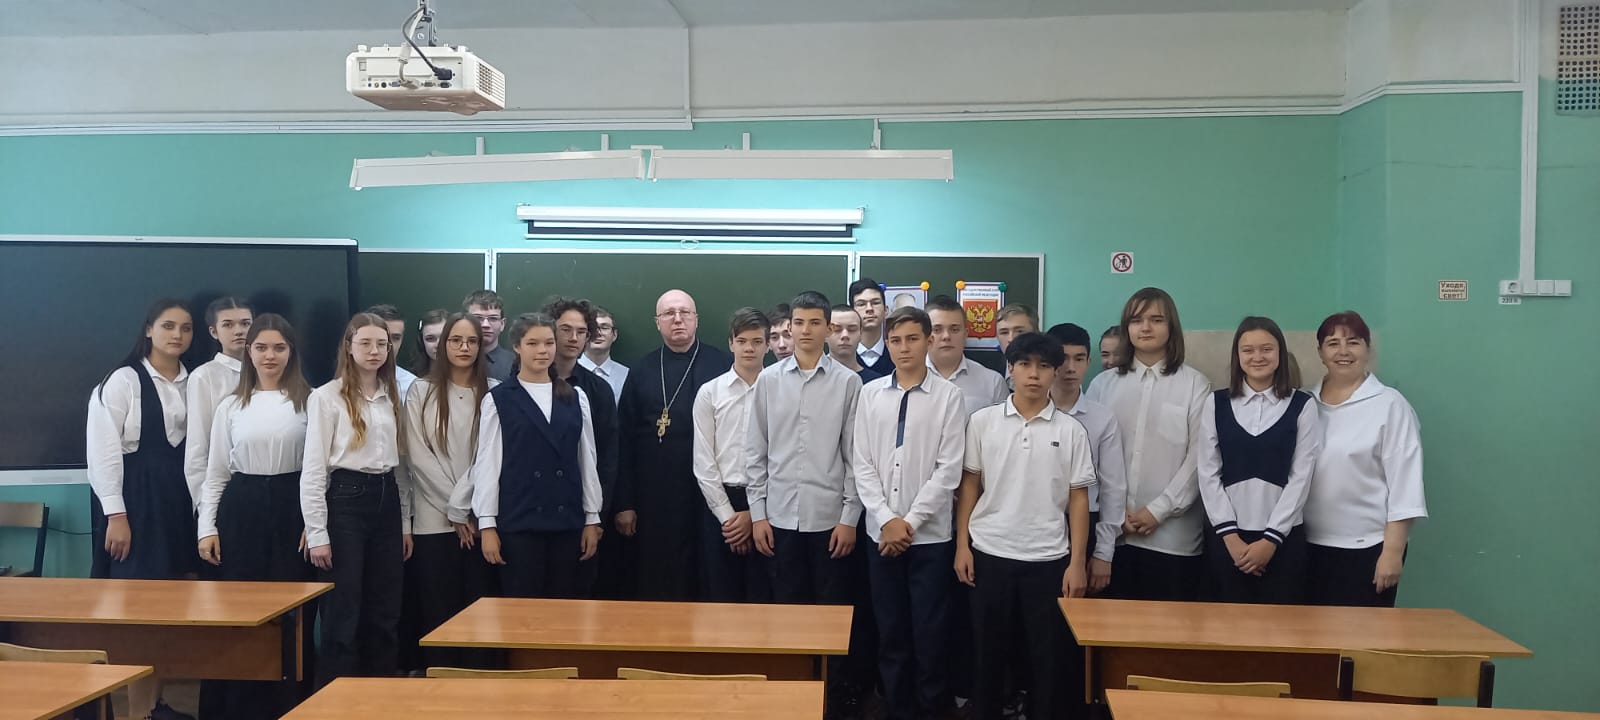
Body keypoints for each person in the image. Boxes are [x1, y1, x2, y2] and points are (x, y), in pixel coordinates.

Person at [956, 332, 1096, 720]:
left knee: (1046, 661)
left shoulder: (1071, 430)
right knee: (986, 656)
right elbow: (969, 485)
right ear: (1011, 369)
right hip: (989, 553)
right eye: (1025, 365)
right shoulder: (983, 422)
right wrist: (962, 545)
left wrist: (1077, 563)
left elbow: (1079, 499)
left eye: (1044, 366)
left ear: (1055, 372)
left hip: (1048, 558)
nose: (1034, 374)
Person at [747, 290, 863, 706]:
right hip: (778, 519)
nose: (806, 330)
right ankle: (791, 699)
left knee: (831, 617)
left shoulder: (849, 383)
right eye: (799, 322)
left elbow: (855, 456)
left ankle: (832, 701)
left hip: (831, 521)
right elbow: (755, 451)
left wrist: (850, 517)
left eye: (815, 323)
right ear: (788, 328)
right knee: (787, 614)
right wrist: (757, 514)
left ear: (829, 329)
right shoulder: (768, 380)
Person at [195, 314, 314, 720]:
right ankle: (237, 707)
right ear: (249, 352)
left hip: (292, 507)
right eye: (261, 347)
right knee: (239, 611)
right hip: (241, 510)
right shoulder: (231, 405)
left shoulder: (311, 401)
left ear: (291, 353)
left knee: (291, 611)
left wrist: (313, 524)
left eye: (279, 348)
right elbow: (216, 473)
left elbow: (321, 471)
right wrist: (206, 527)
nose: (270, 356)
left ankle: (288, 705)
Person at [853, 306, 965, 720]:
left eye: (913, 339)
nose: (904, 348)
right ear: (887, 344)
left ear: (929, 341)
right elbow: (862, 463)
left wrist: (909, 522)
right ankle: (896, 707)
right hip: (880, 534)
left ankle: (932, 708)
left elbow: (948, 470)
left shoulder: (949, 397)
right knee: (891, 629)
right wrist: (886, 519)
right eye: (896, 340)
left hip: (929, 537)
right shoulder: (870, 394)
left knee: (930, 630)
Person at [86, 298, 195, 720]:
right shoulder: (123, 381)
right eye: (168, 326)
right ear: (149, 329)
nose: (177, 335)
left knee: (170, 612)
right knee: (137, 613)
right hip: (136, 505)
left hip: (178, 504)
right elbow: (103, 452)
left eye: (185, 328)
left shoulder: (194, 381)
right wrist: (116, 515)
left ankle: (155, 706)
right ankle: (135, 712)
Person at [301, 312, 414, 685]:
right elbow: (314, 469)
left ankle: (379, 691)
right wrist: (317, 532)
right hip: (346, 499)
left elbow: (401, 466)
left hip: (387, 498)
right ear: (348, 346)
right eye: (365, 343)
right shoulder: (326, 397)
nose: (375, 351)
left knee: (385, 607)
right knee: (342, 608)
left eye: (382, 344)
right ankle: (337, 695)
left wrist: (405, 523)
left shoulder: (393, 395)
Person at [464, 313, 604, 598]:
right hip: (519, 522)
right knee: (522, 608)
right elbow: (488, 465)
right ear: (517, 347)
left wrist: (592, 517)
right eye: (533, 343)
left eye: (549, 343)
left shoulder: (575, 396)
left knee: (565, 605)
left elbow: (587, 461)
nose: (543, 351)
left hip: (567, 521)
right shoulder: (499, 399)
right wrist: (487, 524)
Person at [1086, 288, 1210, 602]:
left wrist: (1158, 510)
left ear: (1171, 327)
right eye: (1136, 320)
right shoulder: (1102, 385)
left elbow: (1200, 457)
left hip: (1173, 539)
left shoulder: (1195, 384)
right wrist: (1115, 515)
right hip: (1111, 539)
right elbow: (1088, 456)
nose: (1145, 327)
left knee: (1168, 628)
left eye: (1156, 320)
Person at [613, 290, 733, 600]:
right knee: (659, 575)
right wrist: (625, 502)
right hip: (655, 494)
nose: (677, 319)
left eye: (684, 312)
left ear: (696, 319)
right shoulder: (641, 370)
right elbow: (624, 440)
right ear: (657, 323)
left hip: (710, 492)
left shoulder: (723, 365)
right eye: (669, 314)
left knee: (710, 573)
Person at [1305, 311, 1426, 607]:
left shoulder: (1390, 405)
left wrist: (1392, 552)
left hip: (1368, 549)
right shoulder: (1305, 403)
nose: (1343, 351)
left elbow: (1405, 485)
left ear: (1368, 349)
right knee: (1310, 634)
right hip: (1305, 547)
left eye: (1353, 342)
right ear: (1320, 352)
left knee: (1361, 635)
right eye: (1333, 343)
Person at [1196, 317, 1319, 605]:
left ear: (1280, 353)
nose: (1257, 357)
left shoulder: (1303, 404)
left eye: (1266, 349)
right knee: (1225, 624)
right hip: (1227, 540)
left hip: (1282, 541)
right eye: (1248, 350)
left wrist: (1271, 540)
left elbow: (1302, 477)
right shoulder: (1216, 403)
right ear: (1237, 356)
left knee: (1281, 626)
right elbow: (1208, 473)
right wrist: (1230, 537)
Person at [407, 313, 497, 668]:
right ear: (442, 345)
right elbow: (418, 457)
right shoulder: (420, 391)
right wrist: (455, 509)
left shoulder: (495, 391)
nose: (464, 347)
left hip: (480, 518)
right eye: (456, 340)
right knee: (439, 610)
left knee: (479, 610)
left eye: (472, 341)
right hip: (434, 520)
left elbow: (489, 457)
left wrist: (466, 508)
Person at [691, 308, 772, 603]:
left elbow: (786, 456)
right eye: (742, 341)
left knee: (764, 598)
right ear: (731, 343)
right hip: (720, 504)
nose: (749, 348)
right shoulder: (710, 392)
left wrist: (756, 514)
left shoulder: (780, 390)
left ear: (768, 345)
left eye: (757, 341)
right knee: (721, 598)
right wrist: (728, 518)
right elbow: (703, 461)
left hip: (770, 506)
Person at [544, 297, 620, 595]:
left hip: (580, 511)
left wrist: (597, 516)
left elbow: (608, 457)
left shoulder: (598, 390)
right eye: (565, 329)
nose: (573, 338)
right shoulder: (524, 382)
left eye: (581, 331)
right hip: (530, 511)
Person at [1046, 323, 1127, 595]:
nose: (1070, 368)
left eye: (1079, 359)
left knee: (1079, 612)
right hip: (1036, 523)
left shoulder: (1102, 418)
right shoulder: (1027, 412)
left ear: (1088, 362)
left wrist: (1104, 552)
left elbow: (1113, 488)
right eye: (1063, 358)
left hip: (1086, 525)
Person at [183, 297, 253, 512]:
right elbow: (198, 445)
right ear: (214, 332)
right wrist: (205, 505)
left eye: (245, 323)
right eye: (228, 325)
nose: (239, 331)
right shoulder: (204, 376)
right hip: (224, 488)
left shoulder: (271, 370)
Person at [925, 295, 1007, 417]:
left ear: (965, 334)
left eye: (954, 329)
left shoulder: (993, 383)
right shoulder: (906, 380)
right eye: (937, 330)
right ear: (924, 334)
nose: (946, 336)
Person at [580, 305, 630, 405]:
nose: (598, 333)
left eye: (604, 327)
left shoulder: (627, 376)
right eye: (592, 328)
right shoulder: (567, 371)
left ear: (614, 335)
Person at [366, 304, 418, 398]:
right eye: (381, 337)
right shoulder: (341, 386)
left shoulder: (413, 386)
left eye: (395, 338)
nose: (388, 344)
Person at [465, 290, 516, 383]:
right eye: (478, 318)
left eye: (493, 318)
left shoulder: (516, 364)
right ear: (465, 322)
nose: (485, 325)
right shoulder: (451, 360)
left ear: (502, 324)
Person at [850, 278, 895, 376]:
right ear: (852, 312)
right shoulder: (842, 357)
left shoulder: (899, 356)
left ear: (886, 310)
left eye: (875, 303)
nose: (869, 309)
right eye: (861, 304)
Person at [829, 303, 881, 382]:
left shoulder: (876, 382)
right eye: (837, 330)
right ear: (825, 334)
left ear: (861, 333)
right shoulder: (812, 378)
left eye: (852, 329)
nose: (845, 335)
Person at [413, 308, 448, 377]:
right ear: (421, 342)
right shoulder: (411, 379)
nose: (438, 345)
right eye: (430, 339)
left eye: (444, 337)